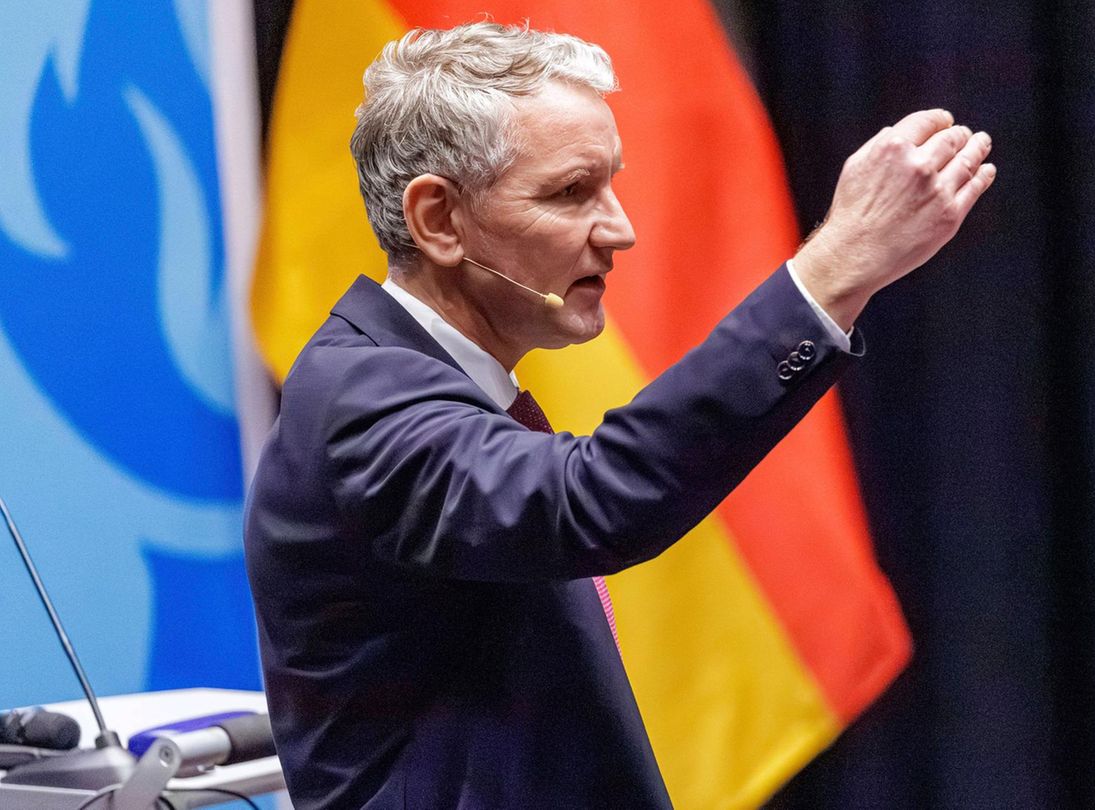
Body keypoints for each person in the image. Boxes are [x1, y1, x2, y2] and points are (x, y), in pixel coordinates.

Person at [243, 21, 995, 810]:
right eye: (571, 192)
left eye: (611, 185)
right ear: (438, 219)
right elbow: (588, 499)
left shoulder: (429, 383)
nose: (620, 230)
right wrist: (830, 275)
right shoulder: (361, 400)